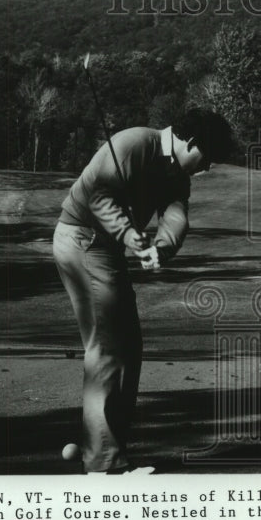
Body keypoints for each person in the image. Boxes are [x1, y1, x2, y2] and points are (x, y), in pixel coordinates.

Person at [53, 108, 234, 473]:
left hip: (104, 249)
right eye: (207, 157)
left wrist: (160, 248)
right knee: (109, 346)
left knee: (128, 345)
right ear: (191, 142)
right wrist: (127, 233)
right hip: (83, 240)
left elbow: (175, 214)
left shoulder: (176, 172)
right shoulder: (133, 143)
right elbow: (98, 196)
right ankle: (104, 465)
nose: (207, 166)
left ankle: (107, 452)